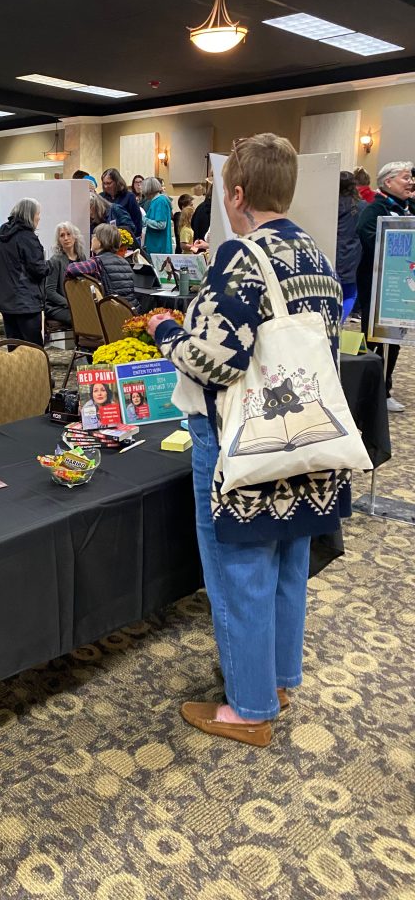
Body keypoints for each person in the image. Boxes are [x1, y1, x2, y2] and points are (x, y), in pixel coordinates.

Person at [147, 132, 347, 747]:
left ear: (236, 194)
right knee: (288, 561)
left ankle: (250, 708)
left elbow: (218, 362)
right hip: (303, 434)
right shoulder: (314, 255)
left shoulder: (239, 258)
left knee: (239, 570)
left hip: (240, 438)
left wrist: (164, 331)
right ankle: (281, 678)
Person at [357, 160, 413, 412]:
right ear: (388, 182)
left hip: (400, 286)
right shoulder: (375, 209)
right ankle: (366, 390)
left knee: (395, 337)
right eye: (405, 177)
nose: (411, 181)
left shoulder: (408, 208)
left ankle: (385, 388)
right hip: (377, 285)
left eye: (411, 177)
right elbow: (368, 239)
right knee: (374, 339)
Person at [0, 197, 48, 345]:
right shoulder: (27, 237)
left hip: (7, 300)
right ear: (30, 214)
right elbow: (38, 269)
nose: (39, 217)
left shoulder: (6, 234)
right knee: (33, 348)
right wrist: (51, 266)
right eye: (37, 213)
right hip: (25, 301)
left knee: (14, 346)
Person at [66, 223, 138, 308]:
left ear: (100, 242)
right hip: (131, 312)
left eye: (94, 236)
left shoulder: (97, 262)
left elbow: (71, 269)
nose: (91, 239)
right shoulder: (125, 262)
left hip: (111, 314)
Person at [45, 222, 86, 327]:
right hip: (56, 307)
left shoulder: (82, 257)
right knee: (82, 318)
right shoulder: (55, 260)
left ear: (75, 236)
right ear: (59, 240)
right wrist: (70, 303)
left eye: (69, 234)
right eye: (62, 235)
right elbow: (50, 291)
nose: (66, 238)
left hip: (77, 304)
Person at [336, 171, 363, 323]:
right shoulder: (361, 206)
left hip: (331, 249)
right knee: (349, 292)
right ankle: (339, 324)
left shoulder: (331, 204)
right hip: (353, 253)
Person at [100, 168, 142, 240]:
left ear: (117, 182)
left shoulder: (129, 197)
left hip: (126, 239)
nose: (106, 186)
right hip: (106, 239)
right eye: (104, 183)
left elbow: (137, 220)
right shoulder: (101, 197)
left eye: (109, 183)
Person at [142, 176, 174, 256]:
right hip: (157, 246)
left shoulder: (160, 201)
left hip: (159, 247)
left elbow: (161, 224)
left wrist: (143, 219)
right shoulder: (157, 201)